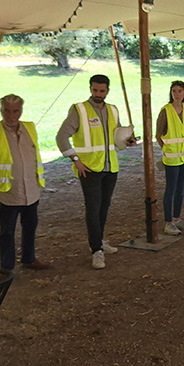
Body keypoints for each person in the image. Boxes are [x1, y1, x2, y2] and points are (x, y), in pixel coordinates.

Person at [56, 74, 135, 270]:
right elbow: (61, 137)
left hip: (110, 166)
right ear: (90, 88)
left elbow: (117, 137)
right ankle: (96, 250)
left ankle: (99, 240)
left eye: (102, 91)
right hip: (89, 168)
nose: (98, 94)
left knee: (103, 207)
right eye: (95, 90)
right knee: (92, 208)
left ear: (107, 90)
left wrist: (127, 141)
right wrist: (75, 160)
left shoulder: (113, 110)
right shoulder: (79, 110)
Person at [0, 94, 50, 271]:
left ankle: (29, 258)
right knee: (7, 232)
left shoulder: (30, 128)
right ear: (1, 110)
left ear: (21, 110)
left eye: (15, 111)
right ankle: (6, 268)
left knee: (30, 226)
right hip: (8, 192)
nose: (11, 116)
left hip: (31, 189)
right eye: (6, 111)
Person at [156, 80, 184, 236]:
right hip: (172, 158)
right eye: (174, 91)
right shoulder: (165, 111)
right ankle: (168, 222)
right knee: (171, 190)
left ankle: (177, 218)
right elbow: (159, 135)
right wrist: (166, 149)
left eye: (180, 91)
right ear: (171, 93)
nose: (177, 94)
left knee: (181, 190)